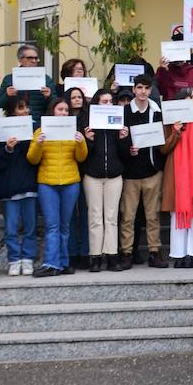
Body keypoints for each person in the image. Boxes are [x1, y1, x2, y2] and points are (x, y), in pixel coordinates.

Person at [27, 98, 88, 277]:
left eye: (66, 110)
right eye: (60, 109)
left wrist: (81, 143)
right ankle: (51, 263)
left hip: (70, 182)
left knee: (65, 226)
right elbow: (32, 159)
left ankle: (63, 263)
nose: (63, 113)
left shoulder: (73, 131)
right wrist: (38, 144)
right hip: (48, 183)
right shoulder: (40, 131)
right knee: (52, 226)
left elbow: (81, 158)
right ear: (52, 110)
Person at [119, 75, 165, 269]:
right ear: (133, 89)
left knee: (153, 216)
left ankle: (155, 252)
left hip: (152, 171)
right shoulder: (124, 112)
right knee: (128, 216)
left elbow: (161, 139)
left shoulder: (156, 111)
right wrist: (127, 146)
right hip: (130, 173)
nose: (143, 91)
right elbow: (119, 140)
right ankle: (126, 253)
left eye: (147, 88)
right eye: (139, 87)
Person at [162, 88, 193, 268]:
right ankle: (179, 254)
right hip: (177, 174)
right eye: (191, 96)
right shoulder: (171, 121)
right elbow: (164, 149)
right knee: (177, 214)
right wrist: (176, 132)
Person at [0, 96, 39, 275]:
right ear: (12, 111)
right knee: (11, 228)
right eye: (20, 108)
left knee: (30, 227)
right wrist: (8, 149)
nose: (25, 111)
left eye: (27, 107)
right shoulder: (2, 132)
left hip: (29, 186)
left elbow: (37, 159)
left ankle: (27, 258)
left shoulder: (35, 130)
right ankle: (13, 259)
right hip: (9, 187)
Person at [80, 89, 127, 273]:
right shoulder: (88, 124)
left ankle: (112, 255)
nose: (107, 104)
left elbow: (124, 155)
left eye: (110, 101)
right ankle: (95, 256)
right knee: (95, 217)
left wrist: (123, 139)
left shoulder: (118, 124)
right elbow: (82, 156)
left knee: (112, 217)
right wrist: (88, 140)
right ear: (96, 104)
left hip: (114, 175)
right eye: (103, 101)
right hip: (92, 176)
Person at [63, 86, 91, 268]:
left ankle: (85, 252)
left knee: (86, 213)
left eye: (80, 97)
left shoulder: (90, 119)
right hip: (68, 170)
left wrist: (87, 139)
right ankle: (72, 252)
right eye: (73, 97)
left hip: (87, 170)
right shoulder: (60, 120)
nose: (77, 100)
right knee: (70, 214)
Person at [0, 43, 53, 125]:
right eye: (30, 58)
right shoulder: (9, 79)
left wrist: (49, 96)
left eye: (36, 58)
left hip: (38, 124)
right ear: (20, 60)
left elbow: (55, 105)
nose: (34, 61)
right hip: (16, 124)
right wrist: (7, 95)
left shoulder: (46, 79)